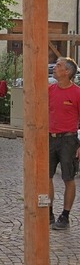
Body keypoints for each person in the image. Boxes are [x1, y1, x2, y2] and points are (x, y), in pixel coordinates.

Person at [48, 57, 80, 230]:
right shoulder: (50, 90)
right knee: (46, 177)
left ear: (67, 72)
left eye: (59, 65)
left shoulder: (77, 93)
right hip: (49, 138)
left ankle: (65, 216)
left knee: (68, 178)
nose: (55, 67)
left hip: (69, 140)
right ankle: (49, 212)